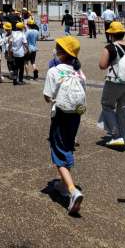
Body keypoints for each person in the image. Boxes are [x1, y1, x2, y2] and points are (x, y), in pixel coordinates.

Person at [43, 36, 86, 215]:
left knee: (58, 151)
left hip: (60, 115)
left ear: (61, 52)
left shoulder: (54, 71)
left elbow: (47, 96)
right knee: (67, 145)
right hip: (76, 115)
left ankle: (72, 190)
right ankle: (62, 183)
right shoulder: (79, 72)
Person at [98, 21, 125, 153]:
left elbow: (102, 65)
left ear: (111, 34)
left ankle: (116, 134)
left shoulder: (109, 48)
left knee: (107, 106)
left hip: (114, 82)